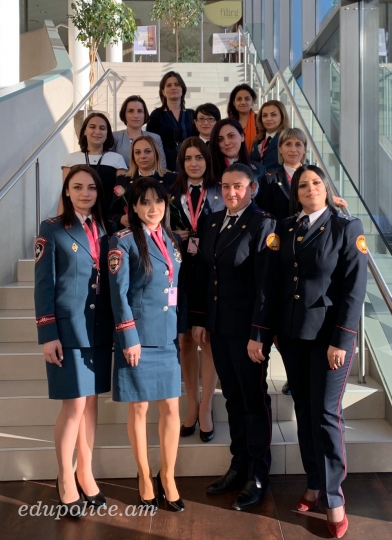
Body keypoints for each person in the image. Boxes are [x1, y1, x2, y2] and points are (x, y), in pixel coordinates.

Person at [275, 165, 367, 538]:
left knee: (327, 415)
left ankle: (333, 495)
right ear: (295, 193)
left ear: (327, 189)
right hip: (295, 337)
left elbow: (354, 290)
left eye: (316, 183)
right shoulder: (288, 228)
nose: (310, 188)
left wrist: (342, 340)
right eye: (303, 185)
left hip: (331, 341)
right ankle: (314, 481)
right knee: (304, 411)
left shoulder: (348, 228)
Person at [192, 163, 279, 511]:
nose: (231, 193)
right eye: (226, 187)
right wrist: (200, 320)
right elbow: (203, 274)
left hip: (248, 334)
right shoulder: (211, 221)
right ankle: (238, 464)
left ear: (252, 188)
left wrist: (259, 334)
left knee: (253, 402)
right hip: (218, 327)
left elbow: (266, 287)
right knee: (231, 397)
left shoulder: (263, 224)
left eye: (238, 187)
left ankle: (258, 475)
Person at [34, 165, 114, 518]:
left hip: (98, 329)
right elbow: (44, 285)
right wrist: (47, 333)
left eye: (92, 187)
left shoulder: (104, 228)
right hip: (67, 331)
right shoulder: (52, 229)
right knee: (74, 406)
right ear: (67, 191)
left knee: (91, 404)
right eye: (78, 187)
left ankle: (86, 471)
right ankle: (66, 478)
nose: (86, 193)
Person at [108, 178, 187, 512]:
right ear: (134, 207)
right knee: (139, 409)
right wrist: (129, 338)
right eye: (145, 203)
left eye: (158, 201)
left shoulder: (169, 238)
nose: (153, 208)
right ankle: (143, 477)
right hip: (138, 339)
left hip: (166, 337)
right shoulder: (122, 241)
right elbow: (118, 293)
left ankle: (167, 476)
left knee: (171, 408)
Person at [256, 128, 348, 396]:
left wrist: (330, 202)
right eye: (288, 144)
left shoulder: (320, 184)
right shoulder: (270, 180)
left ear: (305, 149)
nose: (293, 149)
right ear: (280, 149)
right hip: (281, 252)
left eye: (299, 144)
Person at [168, 137, 224, 443]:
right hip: (179, 275)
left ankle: (206, 408)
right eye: (188, 158)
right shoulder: (171, 194)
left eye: (199, 157)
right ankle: (190, 405)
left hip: (211, 276)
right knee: (185, 341)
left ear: (207, 160)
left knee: (209, 341)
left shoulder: (219, 191)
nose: (193, 163)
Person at [61, 113, 127, 218]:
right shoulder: (71, 159)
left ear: (107, 133)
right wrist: (61, 220)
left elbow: (122, 196)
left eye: (102, 128)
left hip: (108, 219)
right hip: (78, 219)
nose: (97, 131)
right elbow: (65, 194)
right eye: (92, 127)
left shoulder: (117, 159)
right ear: (84, 131)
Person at [109, 135, 176, 230]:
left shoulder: (171, 178)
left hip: (164, 235)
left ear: (155, 153)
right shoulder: (123, 180)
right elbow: (111, 214)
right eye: (137, 152)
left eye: (148, 151)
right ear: (133, 156)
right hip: (132, 236)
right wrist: (121, 218)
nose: (143, 156)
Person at [146, 71, 194, 170]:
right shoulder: (156, 115)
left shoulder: (192, 114)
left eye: (177, 84)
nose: (173, 88)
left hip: (190, 163)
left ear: (183, 89)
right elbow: (150, 142)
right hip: (164, 165)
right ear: (163, 91)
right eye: (169, 85)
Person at [112, 95, 167, 168]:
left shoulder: (155, 138)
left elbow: (161, 166)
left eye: (140, 111)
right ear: (124, 114)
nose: (136, 115)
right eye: (130, 111)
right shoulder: (114, 137)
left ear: (145, 114)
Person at [209, 118, 265, 187]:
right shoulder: (210, 170)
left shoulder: (260, 170)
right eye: (220, 139)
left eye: (231, 136)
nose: (226, 143)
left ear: (242, 136)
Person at [250, 100, 290, 172]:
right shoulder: (257, 140)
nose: (268, 119)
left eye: (273, 115)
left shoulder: (288, 139)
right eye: (265, 115)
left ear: (282, 117)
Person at [227, 83, 257, 153]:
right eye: (239, 99)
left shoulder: (260, 121)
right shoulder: (228, 123)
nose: (243, 102)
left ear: (252, 101)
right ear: (234, 102)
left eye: (247, 99)